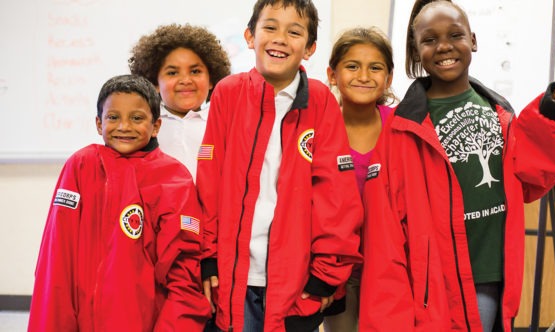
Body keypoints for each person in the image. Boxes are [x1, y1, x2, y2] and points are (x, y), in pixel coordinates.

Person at [359, 1, 555, 331]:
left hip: (489, 276)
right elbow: (385, 233)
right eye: (429, 40)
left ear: (473, 40)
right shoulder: (402, 130)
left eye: (455, 35)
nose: (444, 46)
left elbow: (529, 179)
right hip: (434, 288)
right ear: (416, 52)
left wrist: (550, 117)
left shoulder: (499, 113)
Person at [195, 0, 363, 331]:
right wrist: (208, 256)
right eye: (270, 27)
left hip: (296, 282)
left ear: (310, 48)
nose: (280, 39)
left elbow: (336, 195)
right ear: (249, 36)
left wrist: (326, 274)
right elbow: (208, 182)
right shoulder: (228, 93)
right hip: (232, 277)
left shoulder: (320, 100)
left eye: (294, 31)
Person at [28, 74, 211, 331]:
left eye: (136, 118)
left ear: (156, 125)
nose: (124, 126)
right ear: (98, 123)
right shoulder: (81, 166)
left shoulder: (173, 179)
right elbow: (55, 260)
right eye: (113, 117)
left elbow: (184, 276)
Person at [322, 26, 396, 332]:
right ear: (332, 74)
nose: (363, 76)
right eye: (352, 66)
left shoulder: (401, 127)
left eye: (375, 68)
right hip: (337, 270)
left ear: (388, 78)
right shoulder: (320, 130)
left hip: (391, 267)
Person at [129, 24, 231, 182]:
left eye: (195, 71)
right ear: (154, 83)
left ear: (211, 80)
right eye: (172, 73)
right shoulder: (145, 126)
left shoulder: (224, 124)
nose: (185, 80)